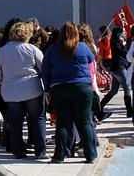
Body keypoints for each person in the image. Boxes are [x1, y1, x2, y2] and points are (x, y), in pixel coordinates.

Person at [41, 22, 97, 164]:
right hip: (82, 88)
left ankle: (59, 156)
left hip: (59, 88)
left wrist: (47, 89)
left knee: (63, 123)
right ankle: (90, 154)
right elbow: (92, 59)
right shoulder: (82, 47)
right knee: (84, 122)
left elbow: (45, 71)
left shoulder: (53, 50)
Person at [0, 22, 46, 160]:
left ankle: (18, 151)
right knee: (38, 119)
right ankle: (40, 151)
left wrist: (4, 81)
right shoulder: (32, 49)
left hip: (11, 92)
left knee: (15, 122)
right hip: (32, 90)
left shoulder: (3, 50)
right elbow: (43, 67)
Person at [100, 27, 132, 117]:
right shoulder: (114, 42)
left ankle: (100, 105)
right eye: (122, 33)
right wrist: (123, 44)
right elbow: (123, 52)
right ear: (118, 34)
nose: (124, 34)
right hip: (119, 68)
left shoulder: (115, 41)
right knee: (127, 89)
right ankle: (129, 111)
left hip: (116, 69)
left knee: (114, 91)